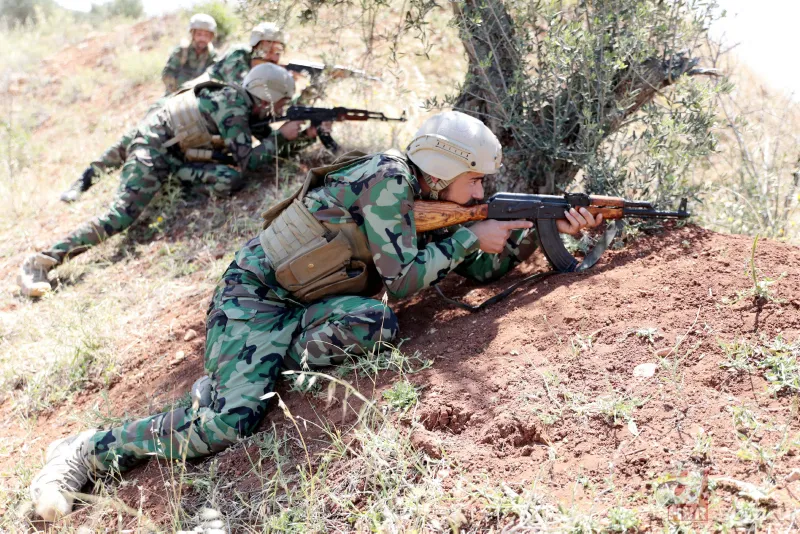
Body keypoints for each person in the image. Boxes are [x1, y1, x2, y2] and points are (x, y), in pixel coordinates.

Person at [27, 111, 602, 521]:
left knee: (371, 324)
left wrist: (529, 237)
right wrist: (470, 236)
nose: (481, 188)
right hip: (251, 301)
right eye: (475, 178)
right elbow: (403, 281)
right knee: (228, 425)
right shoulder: (390, 179)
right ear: (441, 167)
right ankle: (88, 448)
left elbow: (466, 274)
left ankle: (242, 378)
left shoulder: (418, 194)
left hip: (303, 305)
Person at [18, 64, 321, 298]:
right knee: (122, 215)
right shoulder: (233, 106)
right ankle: (42, 261)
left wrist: (304, 138)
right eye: (281, 101)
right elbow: (251, 161)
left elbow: (265, 152)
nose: (282, 109)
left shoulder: (242, 104)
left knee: (227, 179)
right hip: (153, 150)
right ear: (265, 94)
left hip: (177, 155)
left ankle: (176, 181)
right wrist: (282, 136)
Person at [60, 22, 288, 204]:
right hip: (176, 107)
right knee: (126, 145)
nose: (274, 55)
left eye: (278, 50)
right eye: (268, 48)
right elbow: (238, 103)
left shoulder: (264, 72)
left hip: (194, 122)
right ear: (255, 46)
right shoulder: (240, 58)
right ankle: (83, 181)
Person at [162, 13, 219, 95]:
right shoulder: (181, 51)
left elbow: (215, 79)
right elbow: (167, 74)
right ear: (193, 34)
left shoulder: (212, 56)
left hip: (199, 97)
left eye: (206, 35)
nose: (202, 38)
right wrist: (178, 92)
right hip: (175, 94)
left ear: (211, 37)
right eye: (199, 34)